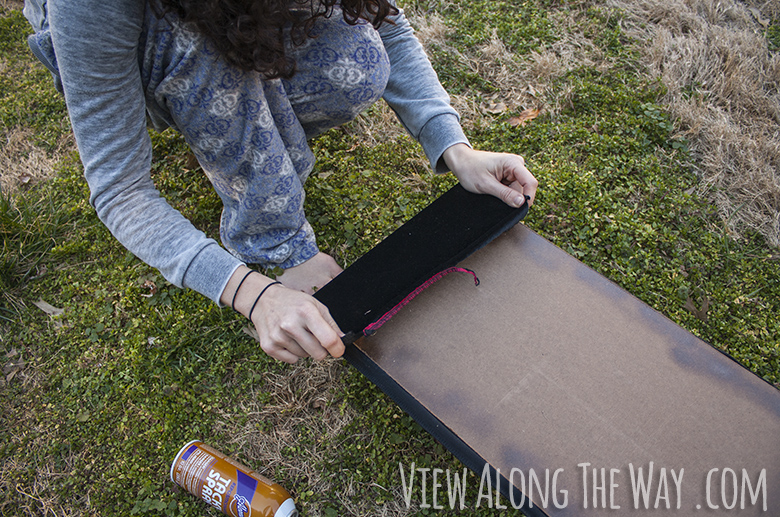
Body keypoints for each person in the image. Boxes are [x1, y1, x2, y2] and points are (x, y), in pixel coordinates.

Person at [23, 0, 538, 364]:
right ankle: (268, 219)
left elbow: (382, 22)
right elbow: (120, 190)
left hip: (231, 15)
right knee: (200, 52)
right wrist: (255, 294)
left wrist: (456, 148)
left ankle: (248, 123)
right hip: (149, 39)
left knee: (353, 56)